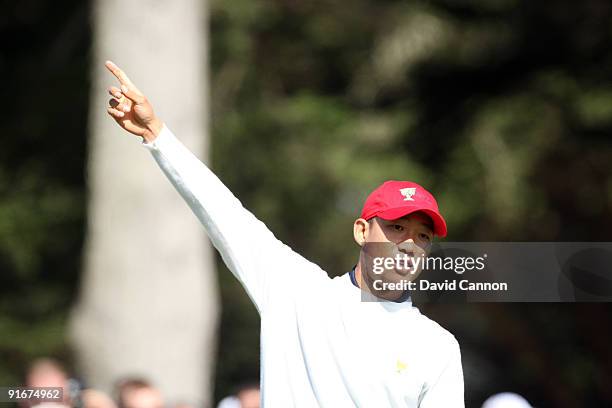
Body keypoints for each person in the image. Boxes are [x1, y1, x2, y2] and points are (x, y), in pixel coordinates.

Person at [105, 60, 464, 407]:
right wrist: (158, 136)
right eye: (396, 228)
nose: (408, 244)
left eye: (422, 236)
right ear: (361, 231)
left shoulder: (437, 347)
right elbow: (226, 215)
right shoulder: (300, 294)